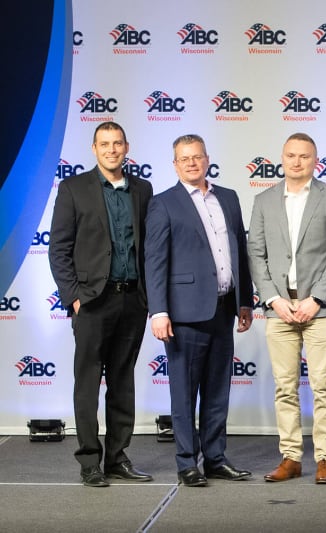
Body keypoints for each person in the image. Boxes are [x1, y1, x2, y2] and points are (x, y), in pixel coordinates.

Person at [144, 134, 254, 487]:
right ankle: (186, 462)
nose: (192, 163)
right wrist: (158, 311)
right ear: (175, 164)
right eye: (184, 158)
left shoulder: (229, 197)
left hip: (223, 309)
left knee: (218, 391)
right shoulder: (164, 204)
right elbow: (155, 261)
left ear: (207, 159)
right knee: (184, 392)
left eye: (197, 157)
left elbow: (240, 249)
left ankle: (216, 458)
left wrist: (245, 300)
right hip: (183, 314)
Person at [49, 121, 153, 487]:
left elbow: (149, 247)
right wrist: (73, 297)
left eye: (118, 143)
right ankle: (90, 461)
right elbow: (59, 248)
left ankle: (117, 458)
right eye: (104, 144)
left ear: (127, 147)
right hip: (93, 301)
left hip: (133, 300)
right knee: (88, 382)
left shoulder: (143, 189)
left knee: (123, 380)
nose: (112, 150)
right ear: (94, 149)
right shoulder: (73, 188)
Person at [248, 133, 326, 485]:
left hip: (317, 308)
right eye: (291, 155)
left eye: (304, 156)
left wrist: (316, 299)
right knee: (285, 387)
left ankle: (325, 458)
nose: (297, 162)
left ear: (315, 160)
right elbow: (256, 255)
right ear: (282, 157)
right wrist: (273, 299)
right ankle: (291, 456)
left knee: (323, 385)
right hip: (278, 306)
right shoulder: (263, 200)